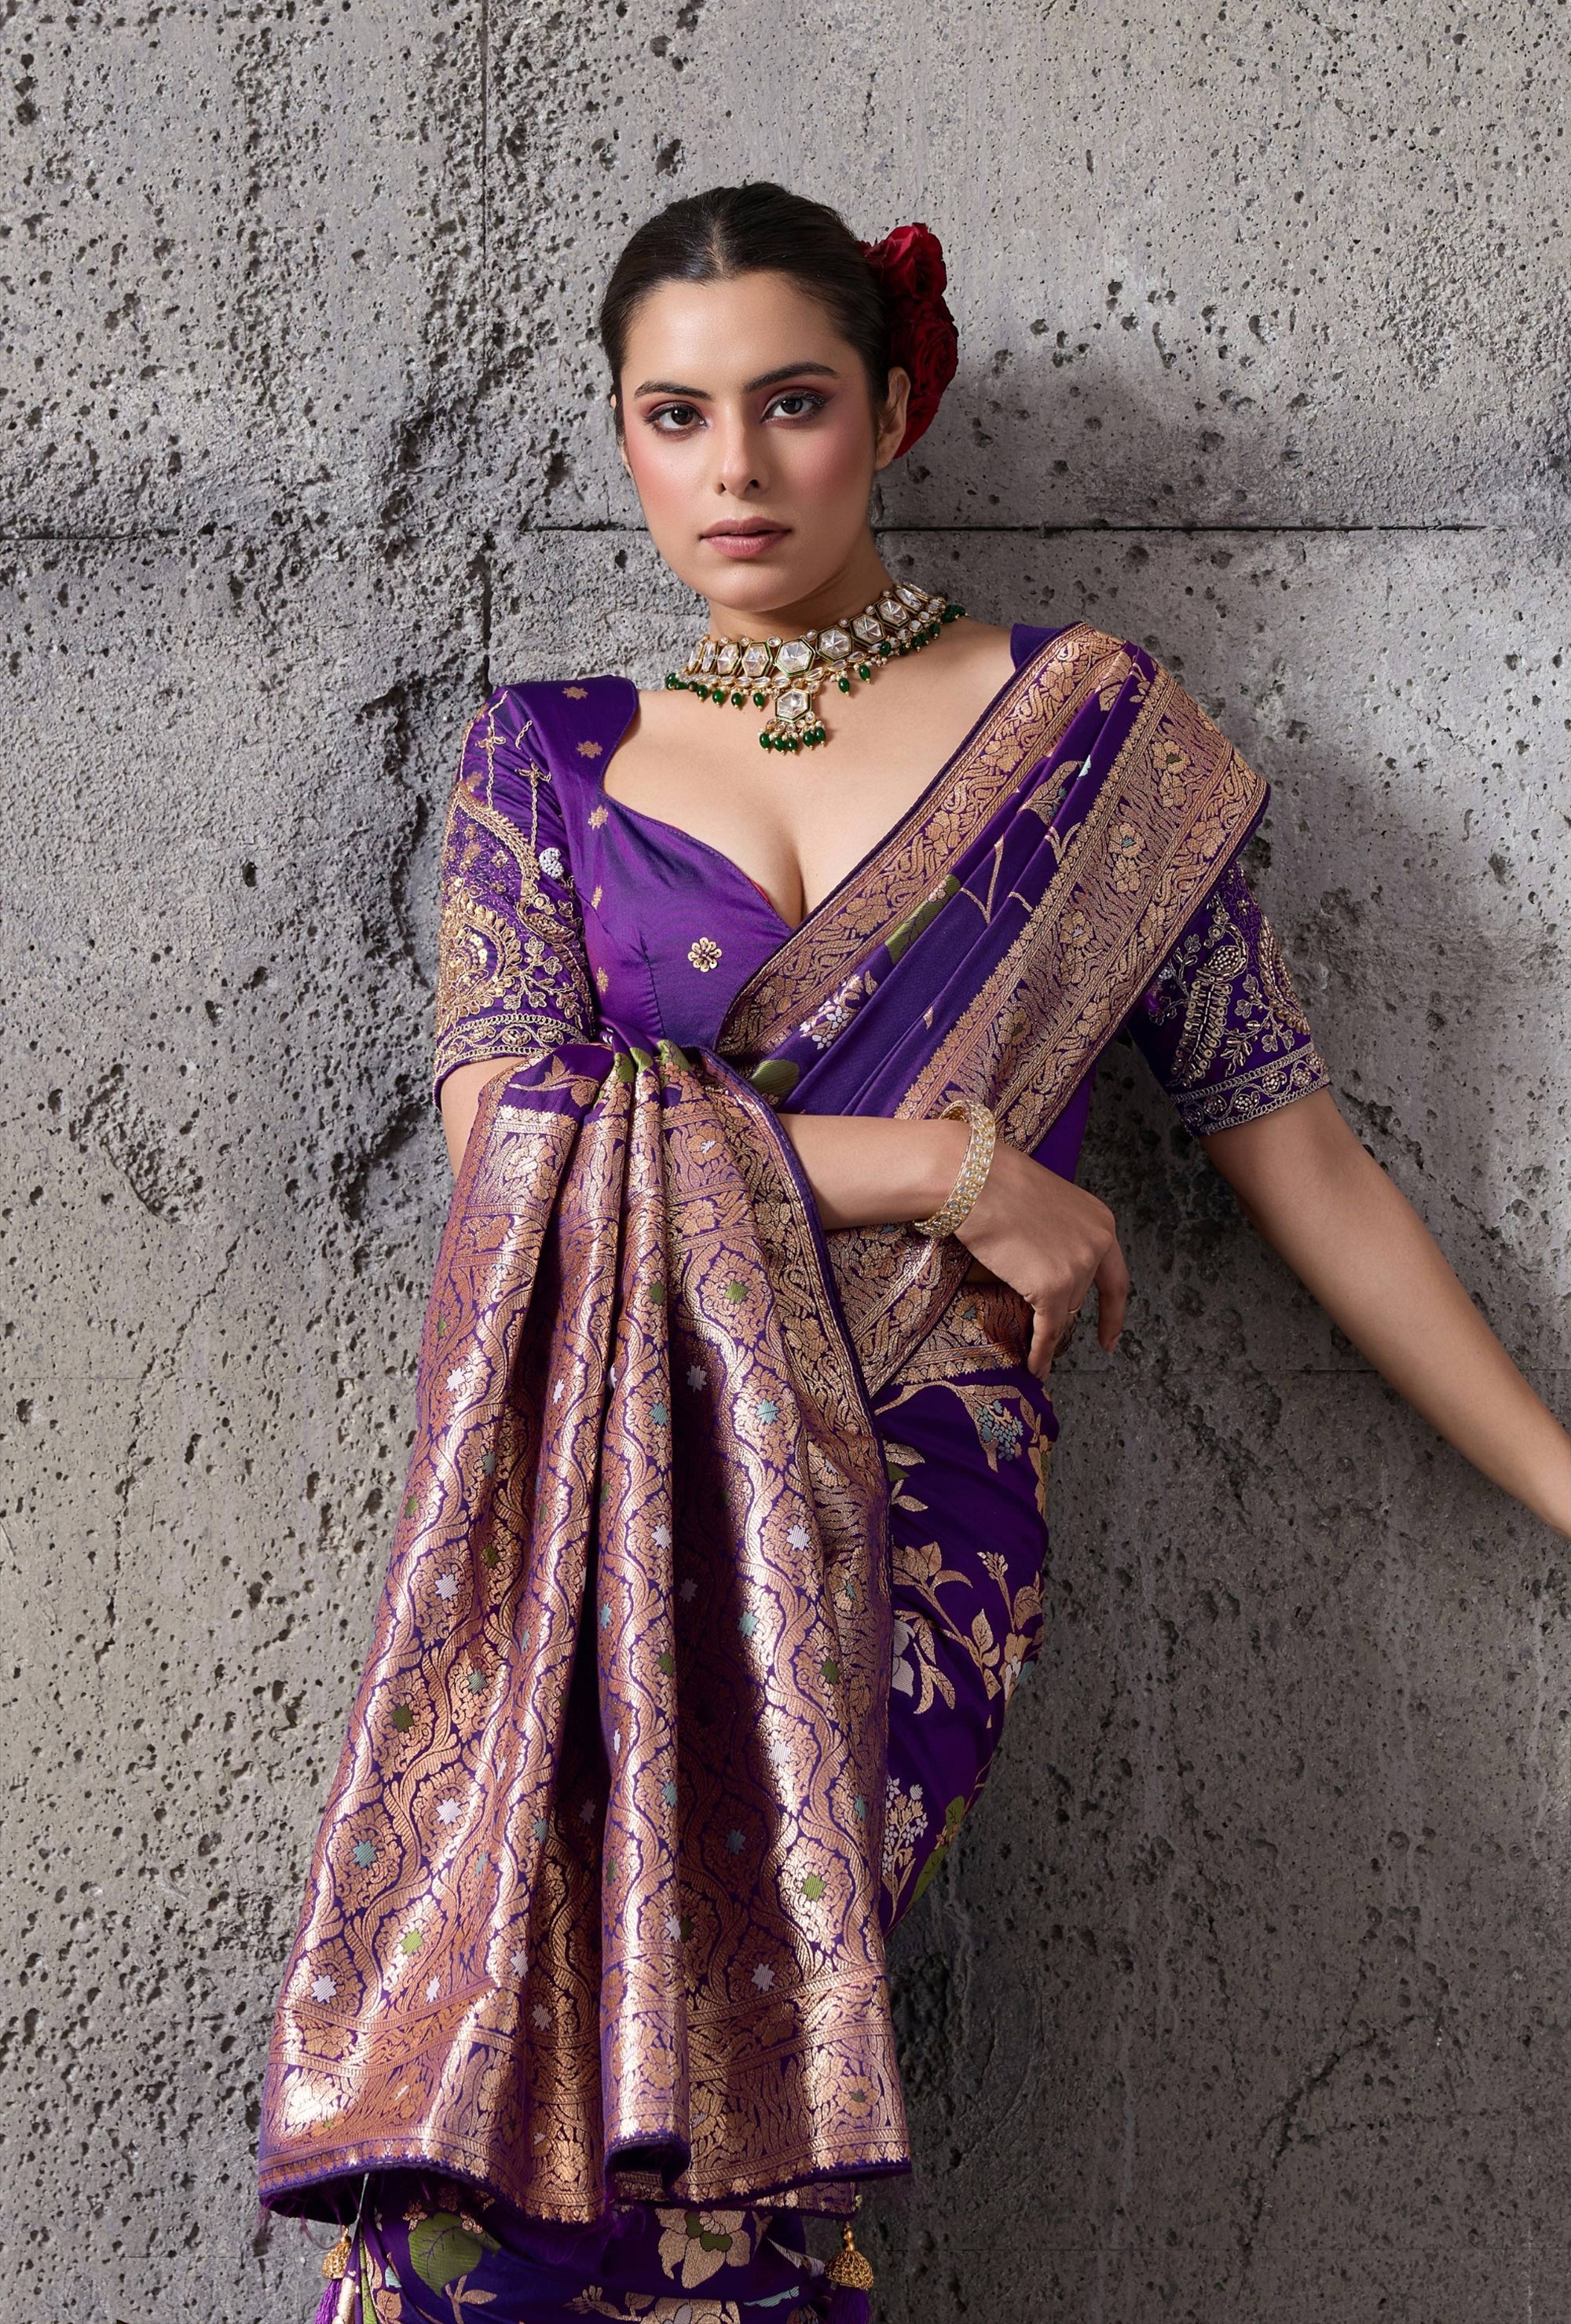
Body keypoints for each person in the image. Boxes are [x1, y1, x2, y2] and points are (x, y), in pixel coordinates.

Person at [255, 183, 1571, 2324]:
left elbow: (1305, 1153)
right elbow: (510, 1140)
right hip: (594, 1500)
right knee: (523, 2089)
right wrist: (948, 1171)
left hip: (913, 1495)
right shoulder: (545, 758)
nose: (736, 468)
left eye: (792, 404)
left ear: (891, 412)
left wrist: (1562, 1483)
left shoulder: (1094, 744)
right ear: (623, 436)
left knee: (745, 2079)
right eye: (675, 416)